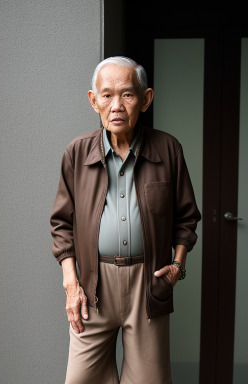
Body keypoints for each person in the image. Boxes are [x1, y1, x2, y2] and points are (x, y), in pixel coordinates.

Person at [50, 56, 201, 384]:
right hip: (92, 286)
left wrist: (176, 267)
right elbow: (61, 224)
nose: (116, 105)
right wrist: (71, 284)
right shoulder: (77, 153)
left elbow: (187, 217)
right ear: (94, 101)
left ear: (145, 99)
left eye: (128, 95)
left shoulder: (168, 149)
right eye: (106, 95)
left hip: (149, 285)